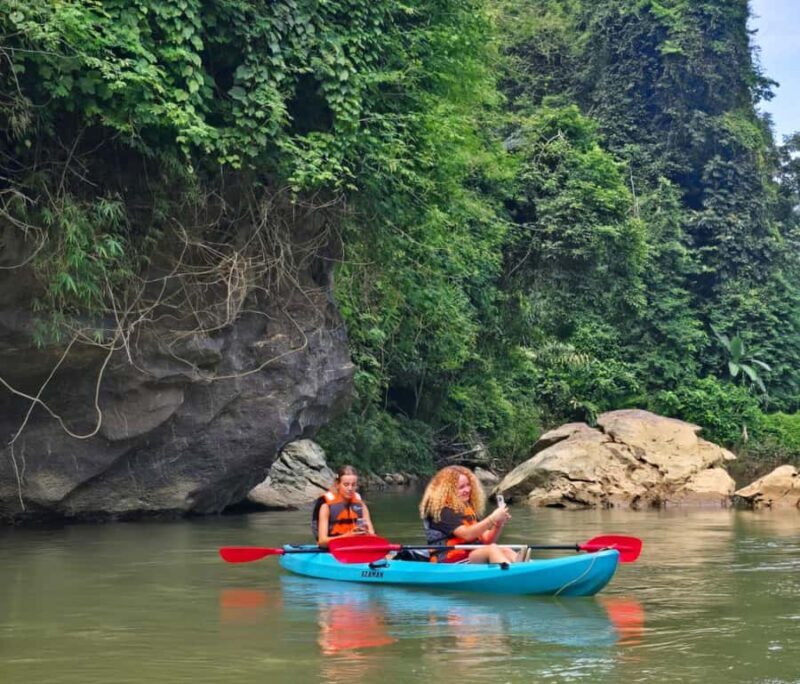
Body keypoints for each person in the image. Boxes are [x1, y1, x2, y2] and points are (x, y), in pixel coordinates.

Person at [419, 465, 520, 564]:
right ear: (448, 490)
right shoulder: (443, 511)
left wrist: (498, 523)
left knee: (505, 550)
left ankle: (524, 569)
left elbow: (487, 540)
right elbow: (467, 535)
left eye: (468, 485)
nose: (467, 490)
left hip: (469, 556)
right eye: (461, 487)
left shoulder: (467, 509)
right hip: (448, 562)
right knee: (492, 549)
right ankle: (514, 575)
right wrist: (492, 518)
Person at [312, 465, 375, 548]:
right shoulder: (326, 506)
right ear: (337, 484)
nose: (350, 488)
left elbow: (373, 536)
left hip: (356, 548)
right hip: (332, 550)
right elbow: (322, 542)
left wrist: (367, 534)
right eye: (346, 484)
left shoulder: (361, 505)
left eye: (353, 485)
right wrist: (347, 536)